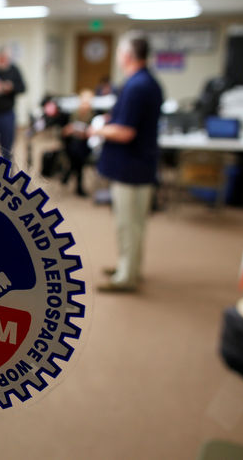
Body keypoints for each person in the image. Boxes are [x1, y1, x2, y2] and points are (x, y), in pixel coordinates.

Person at [89, 33, 163, 291]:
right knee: (136, 224)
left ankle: (126, 277)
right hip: (142, 164)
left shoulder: (136, 86)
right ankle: (129, 266)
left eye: (120, 52)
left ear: (129, 55)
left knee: (128, 224)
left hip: (130, 167)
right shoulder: (147, 82)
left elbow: (125, 132)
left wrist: (98, 130)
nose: (119, 57)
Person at [62, 89, 95, 197]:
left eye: (88, 102)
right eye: (84, 101)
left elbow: (93, 133)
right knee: (75, 149)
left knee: (77, 151)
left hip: (86, 144)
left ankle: (68, 173)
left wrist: (84, 133)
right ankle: (78, 186)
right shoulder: (73, 113)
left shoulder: (94, 115)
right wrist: (70, 130)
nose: (85, 104)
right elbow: (64, 132)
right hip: (72, 143)